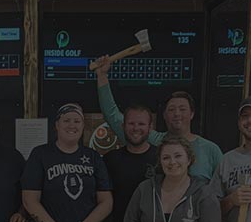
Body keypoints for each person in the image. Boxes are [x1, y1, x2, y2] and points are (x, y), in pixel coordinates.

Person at [94, 56, 222, 180]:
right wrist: (102, 75)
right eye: (171, 110)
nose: (177, 114)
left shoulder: (211, 150)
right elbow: (111, 114)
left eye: (182, 109)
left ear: (192, 114)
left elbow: (222, 190)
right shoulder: (151, 140)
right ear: (164, 115)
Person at [103, 105, 157, 222]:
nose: (136, 128)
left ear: (150, 128)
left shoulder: (161, 159)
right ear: (123, 126)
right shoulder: (109, 159)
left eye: (141, 124)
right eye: (131, 123)